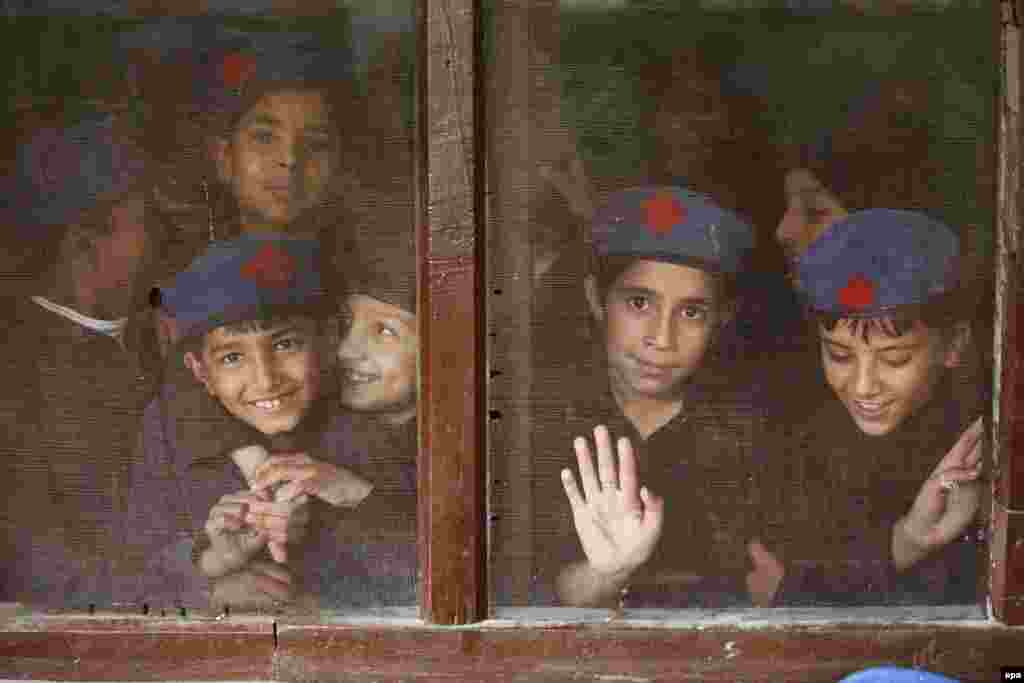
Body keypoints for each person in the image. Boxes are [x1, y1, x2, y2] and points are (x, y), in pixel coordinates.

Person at [123, 234, 374, 611]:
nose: (266, 379)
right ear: (199, 372)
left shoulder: (363, 420)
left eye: (286, 344)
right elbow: (124, 573)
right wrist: (209, 584)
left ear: (324, 343)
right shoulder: (167, 431)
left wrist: (352, 494)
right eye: (232, 358)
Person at [542, 186, 765, 608]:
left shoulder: (757, 432)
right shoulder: (537, 423)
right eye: (640, 303)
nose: (662, 339)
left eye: (691, 312)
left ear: (721, 320)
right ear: (596, 299)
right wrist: (609, 572)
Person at [753, 209, 986, 607]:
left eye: (894, 359)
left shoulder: (981, 440)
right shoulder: (793, 440)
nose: (863, 386)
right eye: (840, 355)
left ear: (955, 345)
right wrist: (907, 540)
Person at [0, 111, 163, 607]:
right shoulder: (18, 371)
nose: (156, 240)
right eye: (143, 224)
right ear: (84, 244)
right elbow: (33, 558)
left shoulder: (156, 336)